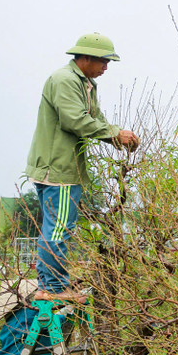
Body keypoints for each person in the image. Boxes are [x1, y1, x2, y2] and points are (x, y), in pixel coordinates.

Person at [25, 33, 139, 302]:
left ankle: (51, 283)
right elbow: (74, 121)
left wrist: (116, 136)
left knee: (56, 227)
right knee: (58, 229)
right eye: (103, 61)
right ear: (86, 58)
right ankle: (51, 288)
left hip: (64, 167)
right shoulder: (64, 80)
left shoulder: (84, 83)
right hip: (59, 167)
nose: (106, 67)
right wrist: (114, 134)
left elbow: (95, 119)